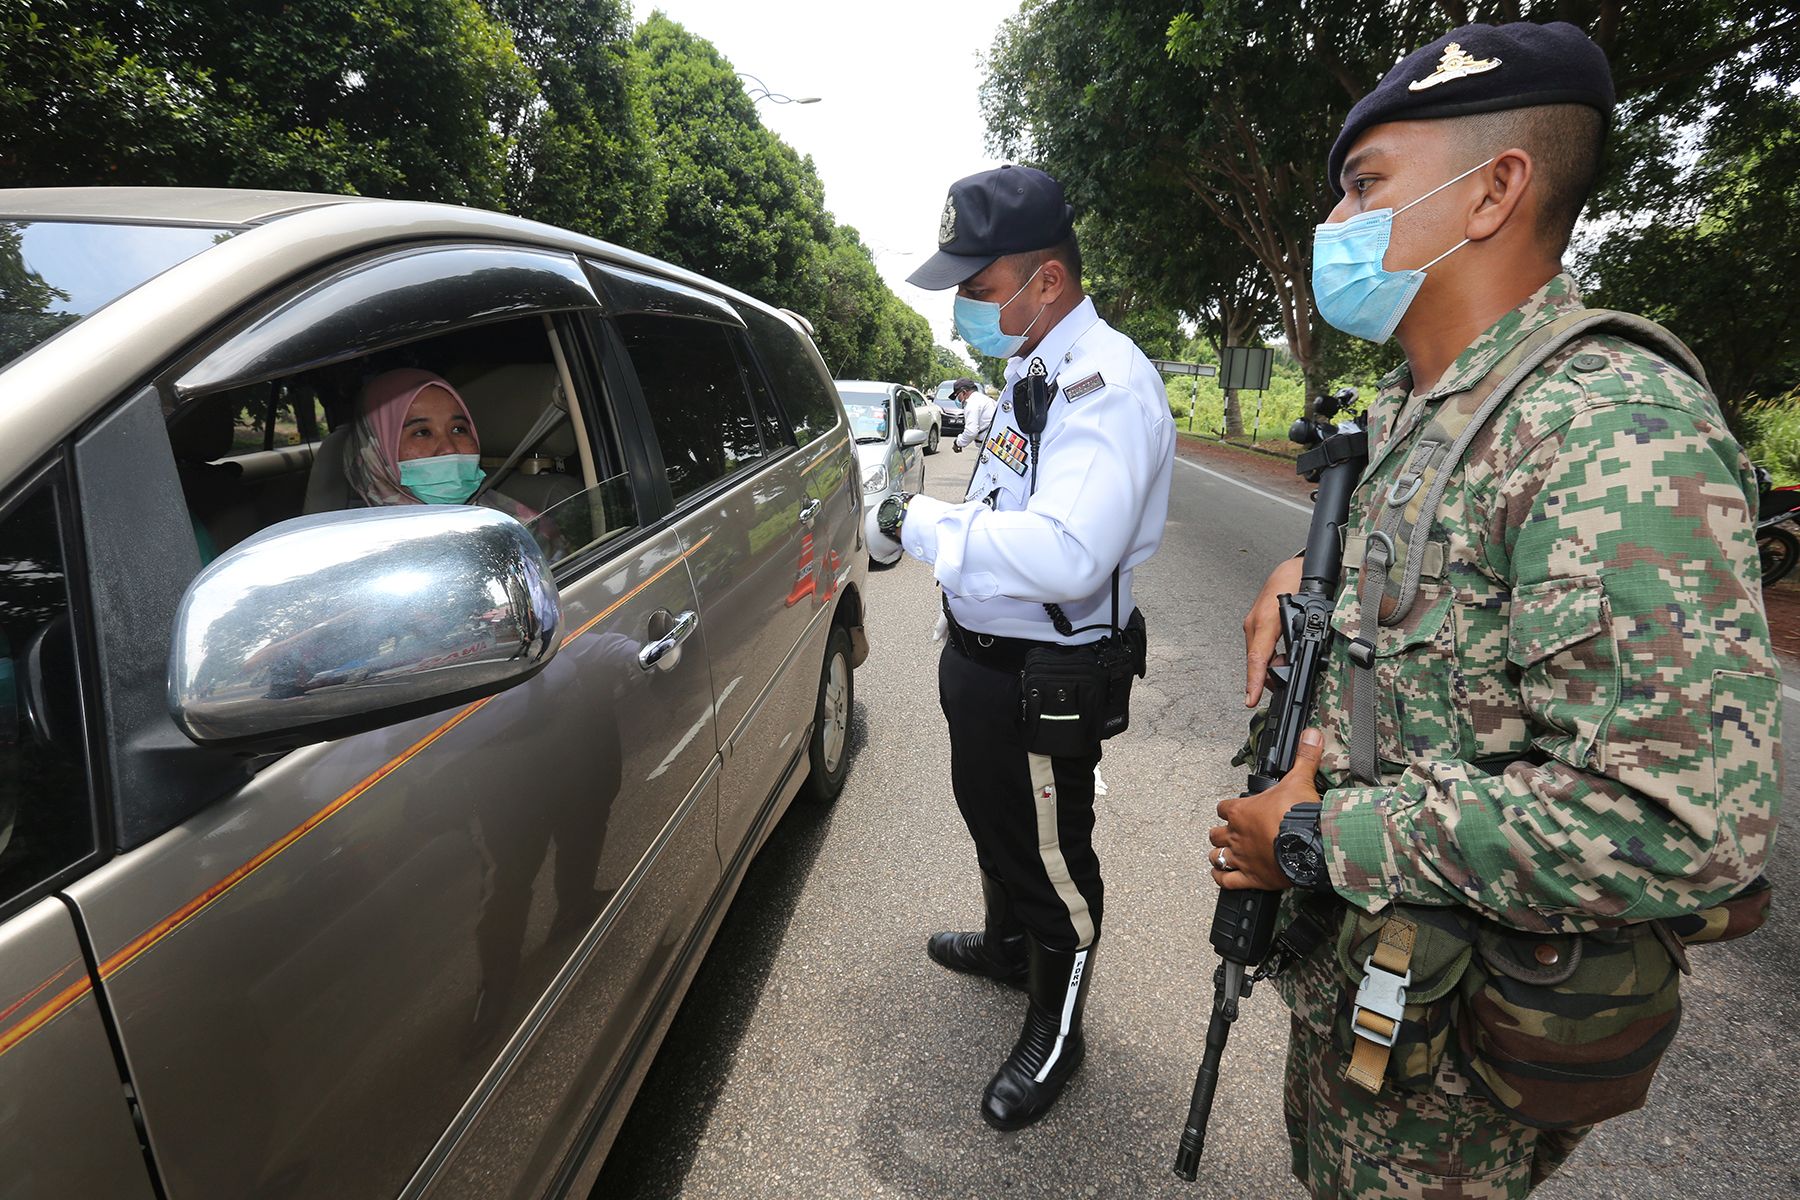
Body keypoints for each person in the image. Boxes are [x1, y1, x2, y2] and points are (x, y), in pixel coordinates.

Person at [1211, 22, 1782, 1198]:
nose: (1333, 226)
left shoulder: (1609, 424)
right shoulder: (1436, 409)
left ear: (1496, 191)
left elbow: (1680, 821)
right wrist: (1305, 584)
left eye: (1365, 186)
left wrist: (1321, 840)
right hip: (1371, 996)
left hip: (1461, 1067)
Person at [878, 164, 1175, 1130]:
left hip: (1043, 678)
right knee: (991, 818)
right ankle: (1011, 950)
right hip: (981, 658)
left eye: (978, 286)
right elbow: (1007, 501)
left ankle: (1058, 1025)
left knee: (1052, 855)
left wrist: (917, 525)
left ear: (1046, 281)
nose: (964, 305)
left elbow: (1069, 551)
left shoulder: (1108, 385)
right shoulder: (1032, 368)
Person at [343, 368, 536, 521]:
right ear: (376, 454)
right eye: (422, 433)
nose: (449, 449)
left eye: (459, 429)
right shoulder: (349, 550)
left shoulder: (522, 528)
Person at [950, 376, 994, 452]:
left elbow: (971, 432)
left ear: (964, 392)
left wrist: (958, 442)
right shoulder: (984, 399)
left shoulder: (971, 403)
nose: (958, 400)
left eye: (957, 396)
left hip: (990, 444)